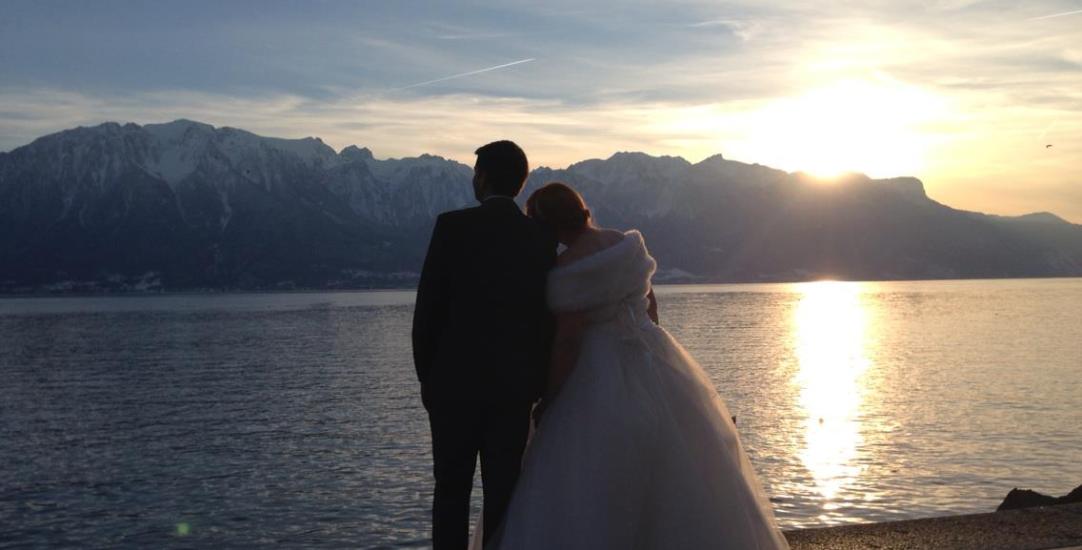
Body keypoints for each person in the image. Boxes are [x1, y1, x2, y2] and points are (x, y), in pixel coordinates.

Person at [489, 182, 790, 549]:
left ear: (545, 222)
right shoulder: (623, 243)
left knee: (593, 473)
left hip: (597, 367)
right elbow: (650, 301)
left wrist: (550, 399)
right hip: (652, 351)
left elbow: (568, 342)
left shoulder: (568, 269)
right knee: (684, 461)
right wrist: (650, 340)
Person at [412, 141, 557, 550]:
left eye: (476, 172)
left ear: (484, 177)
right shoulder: (539, 238)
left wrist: (429, 380)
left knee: (451, 492)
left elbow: (428, 314)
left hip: (452, 388)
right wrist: (539, 385)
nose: (473, 178)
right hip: (513, 391)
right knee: (504, 494)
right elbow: (546, 318)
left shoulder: (451, 227)